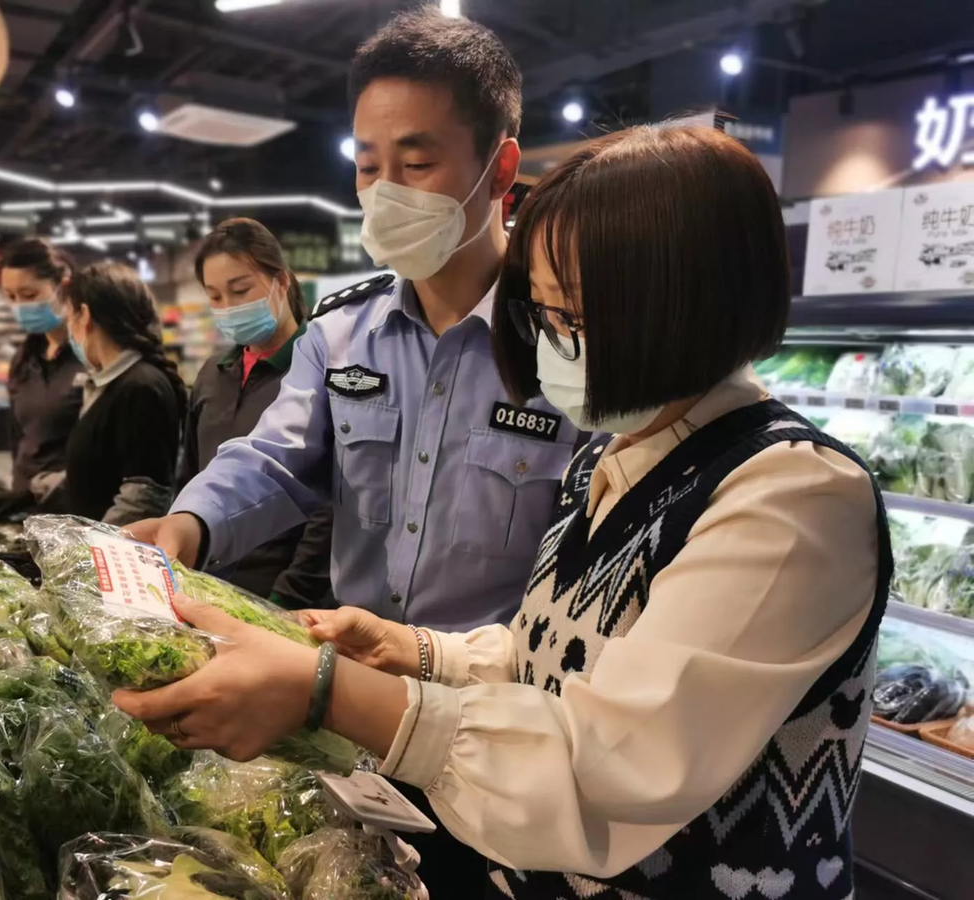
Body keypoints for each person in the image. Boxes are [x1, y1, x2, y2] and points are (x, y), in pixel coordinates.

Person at [114, 124, 890, 900]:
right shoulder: (616, 451)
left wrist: (328, 691)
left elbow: (606, 766)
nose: (552, 346)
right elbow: (553, 657)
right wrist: (414, 652)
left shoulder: (791, 498)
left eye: (574, 320)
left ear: (691, 306)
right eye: (543, 316)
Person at [128, 12, 578, 895]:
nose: (385, 190)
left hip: (504, 739)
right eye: (368, 165)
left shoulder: (568, 340)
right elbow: (277, 460)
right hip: (348, 721)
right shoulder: (346, 332)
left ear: (502, 167)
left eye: (416, 163)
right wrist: (187, 524)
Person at [186, 218, 334, 610]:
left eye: (241, 290)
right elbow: (190, 474)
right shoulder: (212, 374)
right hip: (207, 586)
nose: (229, 307)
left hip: (285, 595)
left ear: (281, 281)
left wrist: (287, 595)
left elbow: (333, 503)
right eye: (215, 296)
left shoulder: (322, 370)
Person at [61, 261, 188, 526]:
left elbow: (144, 497)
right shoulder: (109, 382)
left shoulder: (141, 387)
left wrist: (89, 550)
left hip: (108, 560)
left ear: (84, 315)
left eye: (68, 317)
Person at [0, 239, 83, 496]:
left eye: (30, 295)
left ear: (64, 287)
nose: (20, 307)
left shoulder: (93, 357)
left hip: (76, 509)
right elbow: (18, 438)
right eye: (11, 297)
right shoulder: (24, 359)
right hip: (26, 503)